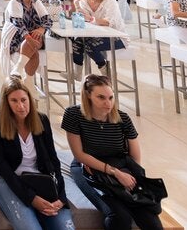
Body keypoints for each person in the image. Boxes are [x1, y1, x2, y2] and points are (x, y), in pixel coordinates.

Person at [63, 75, 164, 230]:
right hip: (88, 167)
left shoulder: (122, 118)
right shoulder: (74, 115)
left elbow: (135, 157)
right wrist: (115, 173)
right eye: (101, 97)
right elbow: (79, 154)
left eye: (111, 97)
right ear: (88, 95)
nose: (108, 103)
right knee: (119, 217)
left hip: (121, 166)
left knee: (152, 221)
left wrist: (132, 181)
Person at [0, 76, 72, 230]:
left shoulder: (41, 120)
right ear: (6, 103)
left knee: (64, 227)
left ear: (30, 99)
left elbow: (53, 159)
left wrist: (61, 197)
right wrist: (31, 198)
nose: (20, 106)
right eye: (14, 101)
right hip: (5, 176)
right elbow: (0, 163)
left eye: (24, 100)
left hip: (37, 177)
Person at [0, 0, 52, 93]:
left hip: (35, 37)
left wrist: (41, 29)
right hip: (17, 36)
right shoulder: (15, 2)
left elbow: (48, 20)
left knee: (35, 36)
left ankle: (18, 69)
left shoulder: (37, 2)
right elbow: (18, 22)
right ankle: (29, 82)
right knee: (34, 52)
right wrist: (28, 38)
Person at [71, 0, 126, 78]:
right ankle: (77, 74)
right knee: (77, 42)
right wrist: (77, 6)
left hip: (117, 37)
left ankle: (105, 71)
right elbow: (82, 19)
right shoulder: (84, 1)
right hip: (96, 34)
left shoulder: (110, 2)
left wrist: (91, 19)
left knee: (90, 45)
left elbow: (108, 22)